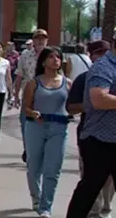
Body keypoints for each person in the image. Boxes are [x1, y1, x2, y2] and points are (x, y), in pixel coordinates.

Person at [65, 40, 113, 218]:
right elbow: (98, 99)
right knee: (90, 187)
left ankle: (103, 212)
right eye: (97, 52)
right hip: (98, 140)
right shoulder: (102, 68)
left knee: (98, 187)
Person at [23, 46, 69, 217]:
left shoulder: (67, 83)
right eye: (51, 57)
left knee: (53, 168)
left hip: (59, 128)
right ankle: (36, 197)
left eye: (58, 57)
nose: (55, 60)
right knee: (34, 165)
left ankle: (45, 207)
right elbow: (26, 107)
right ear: (43, 61)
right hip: (36, 127)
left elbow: (72, 106)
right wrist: (32, 112)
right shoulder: (34, 82)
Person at [17, 29, 50, 163]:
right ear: (33, 41)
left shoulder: (52, 55)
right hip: (28, 96)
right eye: (38, 38)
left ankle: (41, 153)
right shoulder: (25, 55)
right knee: (25, 123)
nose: (40, 41)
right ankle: (29, 150)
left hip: (47, 96)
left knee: (45, 125)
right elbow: (20, 75)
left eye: (43, 38)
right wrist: (15, 94)